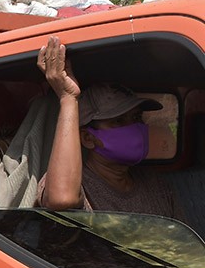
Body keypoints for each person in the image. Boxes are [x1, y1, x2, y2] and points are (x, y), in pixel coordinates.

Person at [36, 36, 181, 219]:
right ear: (88, 138)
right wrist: (68, 98)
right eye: (118, 121)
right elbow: (62, 199)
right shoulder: (79, 185)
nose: (134, 128)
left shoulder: (155, 184)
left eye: (136, 118)